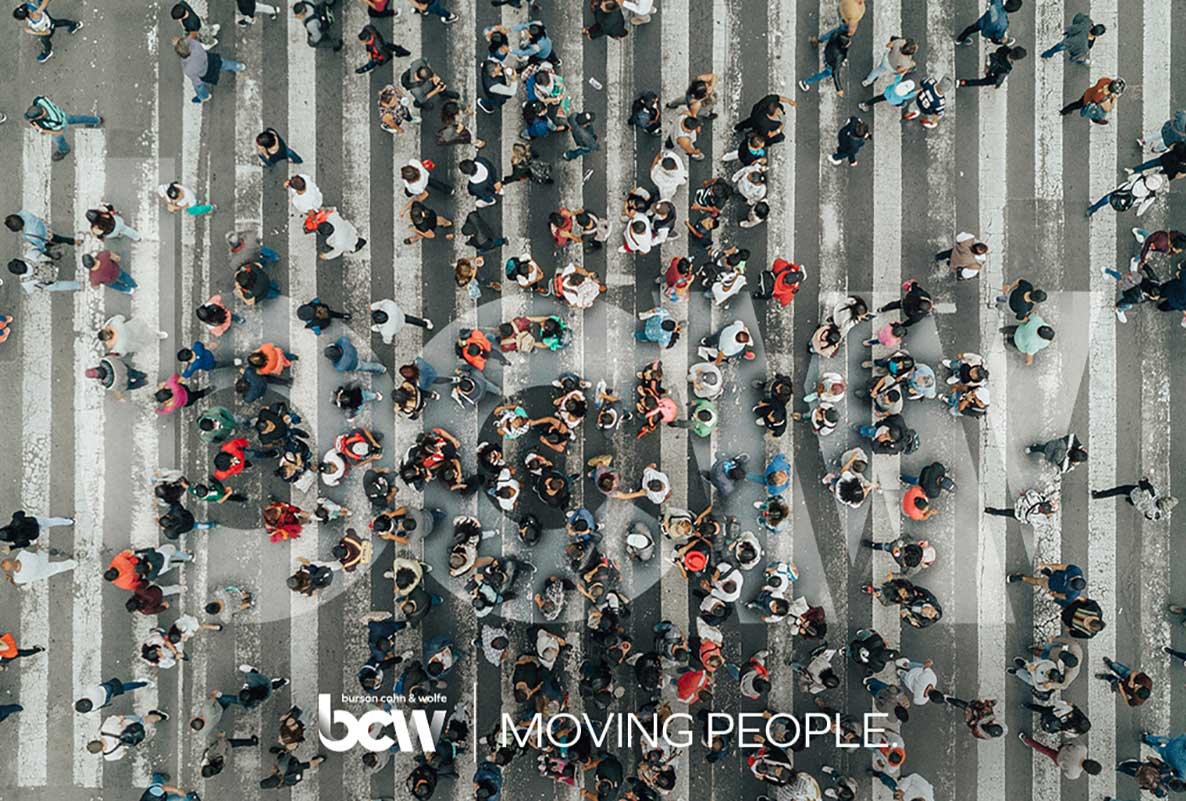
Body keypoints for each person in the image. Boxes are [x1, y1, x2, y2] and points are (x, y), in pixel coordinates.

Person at [24, 95, 102, 160]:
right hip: (62, 115)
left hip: (59, 125)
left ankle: (64, 150)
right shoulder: (40, 100)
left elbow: (59, 131)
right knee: (75, 119)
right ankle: (96, 120)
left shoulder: (54, 120)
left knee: (58, 139)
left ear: (40, 116)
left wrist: (42, 130)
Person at [172, 35, 243, 105]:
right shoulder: (196, 46)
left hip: (205, 73)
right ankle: (238, 66)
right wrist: (179, 42)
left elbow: (196, 81)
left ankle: (204, 96)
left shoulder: (187, 68)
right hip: (211, 60)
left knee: (198, 87)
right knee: (224, 64)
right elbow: (190, 40)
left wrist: (178, 46)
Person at [15, 0, 82, 63]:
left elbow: (47, 32)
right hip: (46, 17)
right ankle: (75, 25)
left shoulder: (36, 20)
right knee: (56, 21)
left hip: (48, 26)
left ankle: (48, 52)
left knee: (44, 40)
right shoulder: (28, 6)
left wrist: (32, 32)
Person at [1017, 733, 1101, 779]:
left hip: (1064, 748)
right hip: (1058, 759)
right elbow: (1066, 773)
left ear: (1092, 760)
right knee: (1044, 750)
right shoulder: (1075, 774)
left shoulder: (1083, 749)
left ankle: (1028, 738)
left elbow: (1073, 741)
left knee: (1046, 748)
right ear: (1087, 771)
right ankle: (1026, 740)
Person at [1091, 477, 1177, 520]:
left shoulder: (1152, 492)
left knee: (1117, 490)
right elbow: (1148, 517)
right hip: (1138, 504)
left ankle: (1097, 495)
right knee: (1134, 501)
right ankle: (1129, 501)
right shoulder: (1156, 514)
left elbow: (1141, 482)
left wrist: (1145, 480)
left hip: (1133, 492)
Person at [798, 31, 850, 96]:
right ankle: (805, 82)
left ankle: (805, 82)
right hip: (831, 64)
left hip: (828, 54)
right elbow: (835, 72)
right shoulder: (839, 56)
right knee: (823, 75)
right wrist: (839, 88)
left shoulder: (835, 36)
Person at [957, 44, 1026, 90]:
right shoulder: (1008, 68)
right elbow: (1000, 77)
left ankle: (962, 82)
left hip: (990, 61)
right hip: (993, 70)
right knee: (984, 82)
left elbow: (998, 50)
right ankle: (963, 83)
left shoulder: (1005, 49)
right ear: (1016, 59)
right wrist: (998, 84)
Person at [1059, 77, 1125, 124]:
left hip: (1087, 94)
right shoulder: (1103, 98)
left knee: (1077, 104)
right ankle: (1096, 120)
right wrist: (1115, 98)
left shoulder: (1105, 81)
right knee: (1096, 114)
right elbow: (1109, 108)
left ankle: (1064, 111)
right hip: (1088, 102)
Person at [955, 0, 1022, 47]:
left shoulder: (997, 2)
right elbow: (997, 36)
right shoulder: (1003, 24)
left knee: (970, 29)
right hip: (988, 32)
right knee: (996, 40)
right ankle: (1004, 42)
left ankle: (959, 40)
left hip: (982, 21)